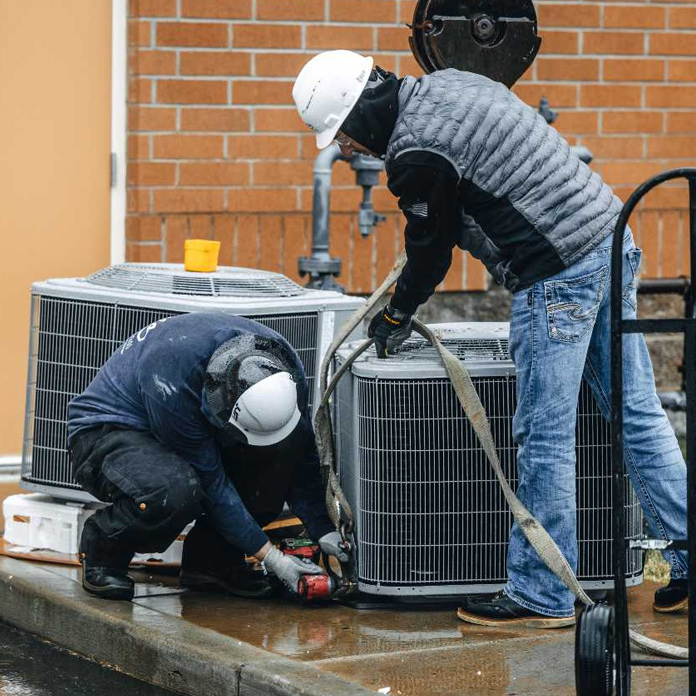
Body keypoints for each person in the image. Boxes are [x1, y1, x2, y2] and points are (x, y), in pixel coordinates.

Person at [292, 50, 689, 627]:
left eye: (345, 137)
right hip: (611, 238)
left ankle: (542, 593)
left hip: (558, 274)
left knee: (544, 437)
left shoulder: (415, 154)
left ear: (358, 113)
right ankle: (687, 560)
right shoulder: (450, 82)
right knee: (638, 415)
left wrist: (398, 313)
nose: (349, 149)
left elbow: (431, 252)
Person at [67, 312, 347, 601]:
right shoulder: (172, 380)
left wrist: (324, 529)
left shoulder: (281, 364)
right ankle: (103, 551)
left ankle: (212, 564)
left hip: (185, 421)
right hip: (105, 433)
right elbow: (212, 484)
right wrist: (272, 558)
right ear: (219, 404)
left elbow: (299, 454)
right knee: (174, 491)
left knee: (275, 461)